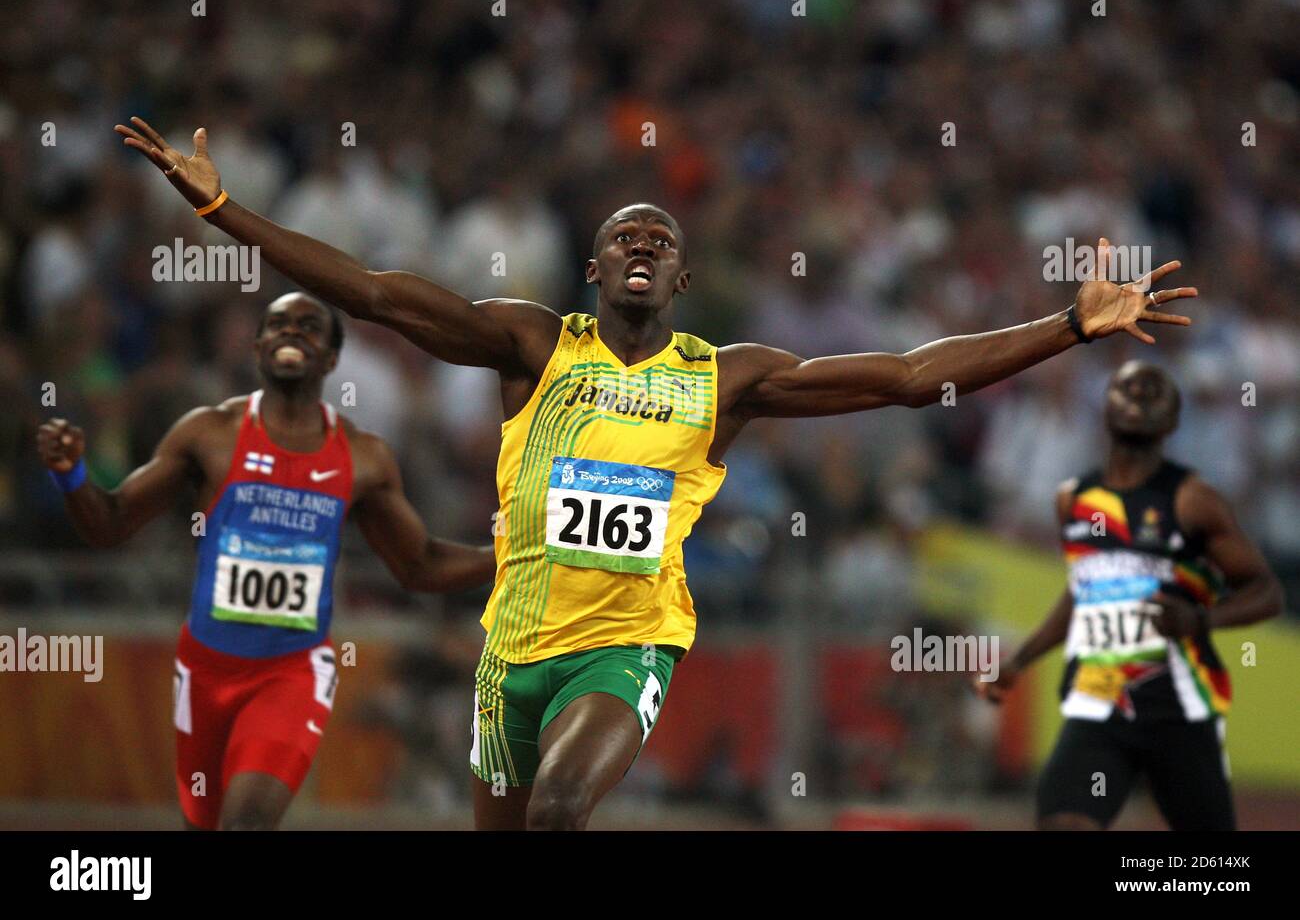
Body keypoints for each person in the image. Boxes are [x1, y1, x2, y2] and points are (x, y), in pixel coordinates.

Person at [116, 116, 1198, 830]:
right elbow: (378, 292)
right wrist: (221, 210)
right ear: (595, 270)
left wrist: (1067, 324)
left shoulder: (727, 379)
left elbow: (914, 375)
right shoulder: (535, 344)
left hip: (628, 637)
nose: (641, 241)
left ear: (680, 275)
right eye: (622, 232)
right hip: (511, 645)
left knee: (556, 813)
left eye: (660, 236)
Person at [37, 291, 496, 830]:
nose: (291, 332)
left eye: (308, 326)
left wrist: (510, 553)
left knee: (246, 823)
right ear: (257, 348)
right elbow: (110, 524)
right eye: (278, 324)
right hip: (206, 670)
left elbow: (418, 564)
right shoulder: (210, 435)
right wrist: (72, 475)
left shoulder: (362, 457)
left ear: (330, 359)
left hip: (292, 674)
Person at [975, 361, 1284, 830]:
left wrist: (1200, 620)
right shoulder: (1073, 500)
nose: (1139, 394)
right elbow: (1084, 592)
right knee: (1065, 823)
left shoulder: (1192, 500)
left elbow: (1265, 592)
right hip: (1100, 700)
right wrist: (1020, 659)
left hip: (1175, 707)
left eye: (1153, 389)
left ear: (1173, 419)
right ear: (1104, 408)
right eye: (1127, 386)